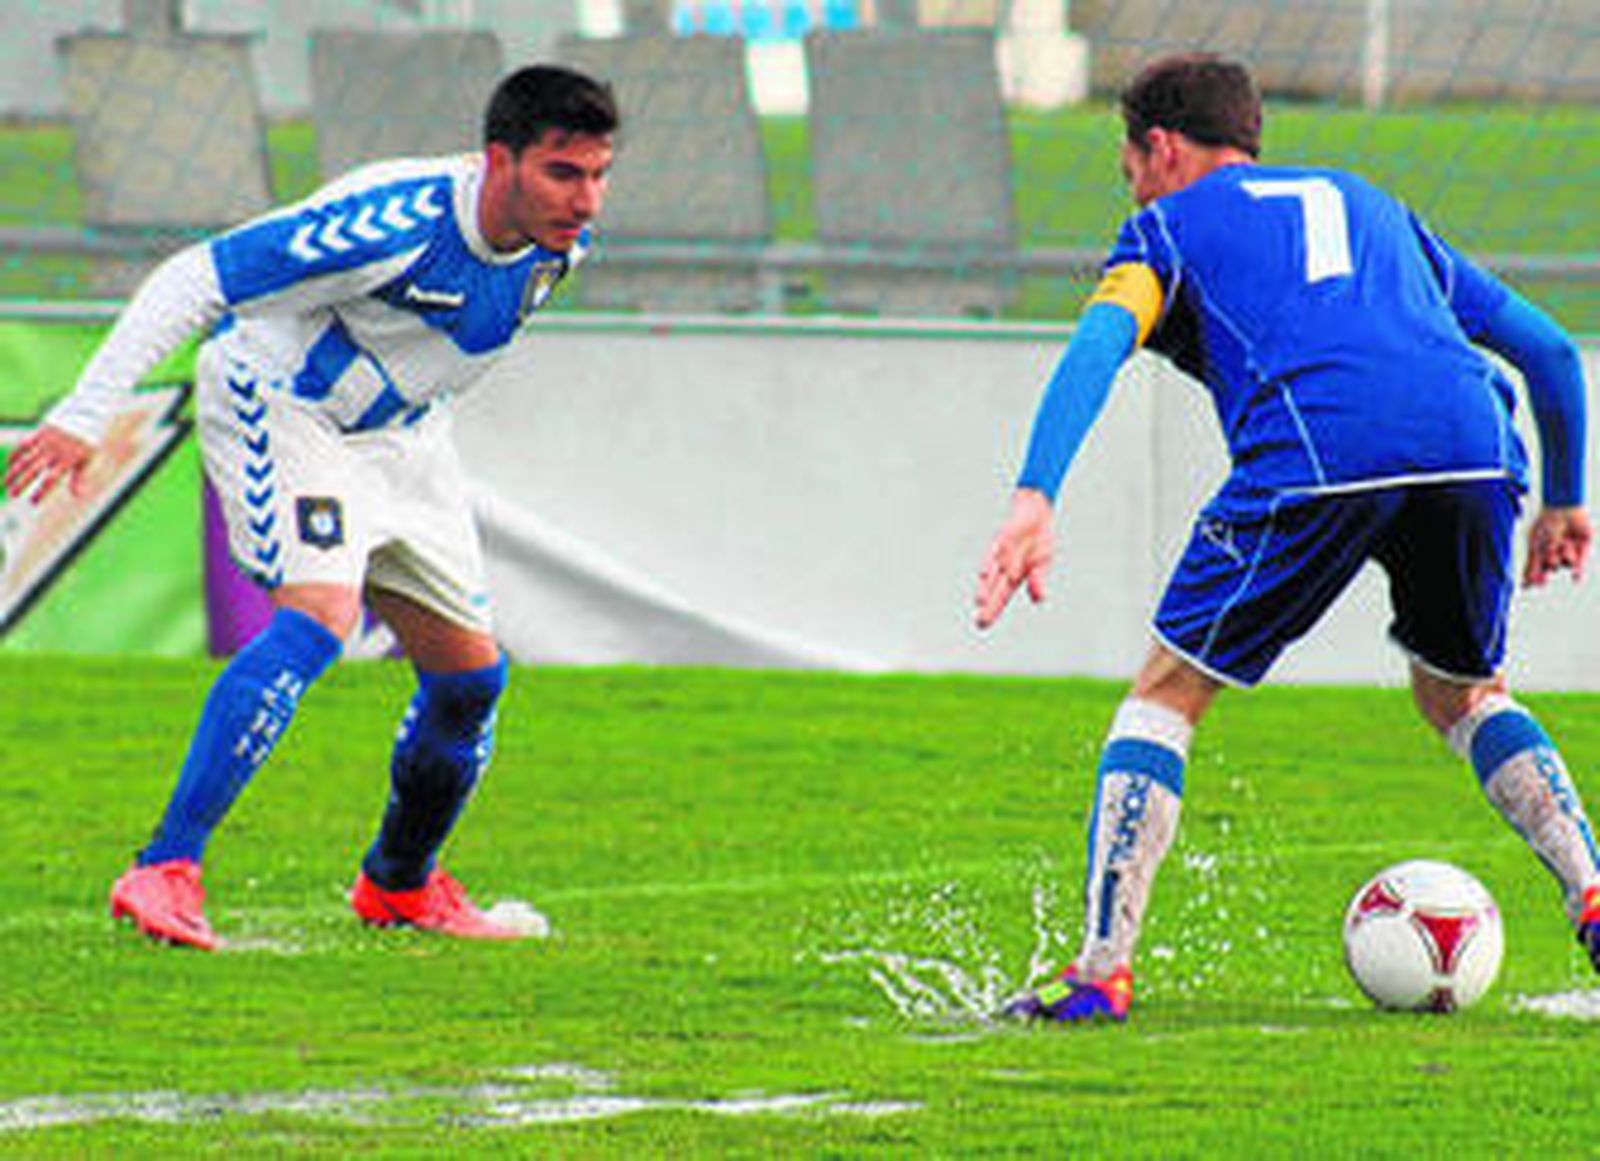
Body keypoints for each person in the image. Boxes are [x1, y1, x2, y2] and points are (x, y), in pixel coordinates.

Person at [975, 53, 1599, 1022]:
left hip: (1320, 450)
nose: (1128, 182)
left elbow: (1099, 341)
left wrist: (1033, 494)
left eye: (1127, 159)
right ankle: (1590, 891)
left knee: (1168, 692)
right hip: (1474, 447)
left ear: (1163, 147)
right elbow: (1552, 352)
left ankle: (1099, 975)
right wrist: (1563, 497)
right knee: (1463, 692)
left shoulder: (1164, 227)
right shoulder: (1373, 206)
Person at [4, 64, 619, 950]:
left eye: (600, 174)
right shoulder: (392, 224)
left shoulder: (557, 245)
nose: (587, 199)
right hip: (287, 404)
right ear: (499, 160)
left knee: (470, 680)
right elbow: (194, 277)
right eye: (565, 173)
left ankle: (400, 885)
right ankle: (165, 868)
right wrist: (84, 413)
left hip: (405, 439)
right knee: (321, 616)